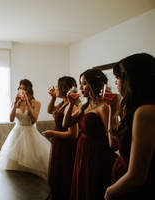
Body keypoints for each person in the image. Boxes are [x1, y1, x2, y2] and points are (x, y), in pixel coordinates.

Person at [104, 53, 155, 200]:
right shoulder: (135, 109)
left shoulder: (145, 112)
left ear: (132, 79)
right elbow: (113, 144)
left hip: (132, 190)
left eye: (118, 78)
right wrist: (112, 112)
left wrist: (109, 192)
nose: (116, 83)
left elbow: (137, 177)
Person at [63, 68, 117, 200]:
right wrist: (70, 104)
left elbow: (112, 140)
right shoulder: (84, 106)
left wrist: (114, 111)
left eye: (84, 83)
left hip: (97, 154)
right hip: (83, 151)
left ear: (93, 84)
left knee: (93, 188)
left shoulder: (103, 107)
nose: (80, 87)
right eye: (81, 83)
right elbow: (66, 123)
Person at [0, 79, 51, 180]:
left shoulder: (36, 103)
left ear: (29, 90)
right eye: (20, 88)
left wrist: (28, 103)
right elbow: (11, 119)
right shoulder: (15, 102)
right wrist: (15, 103)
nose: (22, 91)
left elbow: (33, 120)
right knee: (14, 164)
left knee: (31, 162)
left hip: (30, 132)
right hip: (17, 132)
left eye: (24, 89)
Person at [42, 76, 79, 200]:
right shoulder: (63, 104)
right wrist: (52, 97)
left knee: (64, 176)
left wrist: (52, 133)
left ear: (63, 89)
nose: (55, 88)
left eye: (57, 86)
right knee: (57, 175)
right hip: (59, 144)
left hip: (66, 147)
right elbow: (49, 110)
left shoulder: (71, 107)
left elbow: (73, 134)